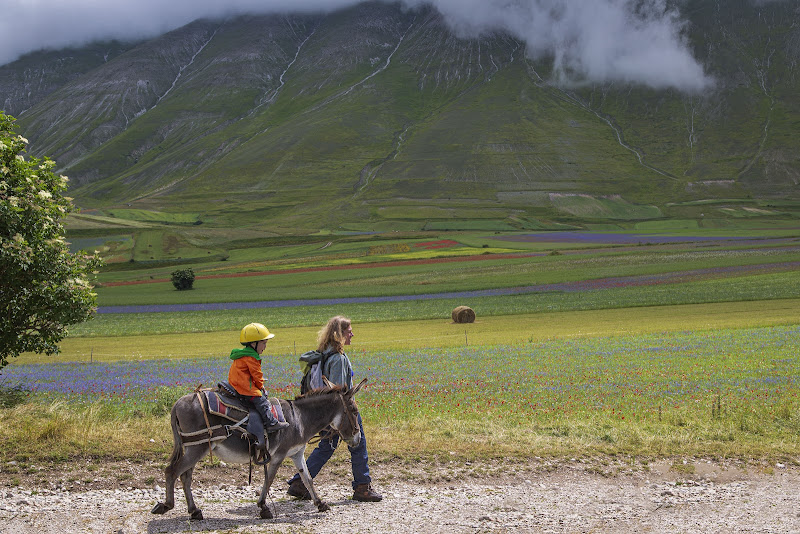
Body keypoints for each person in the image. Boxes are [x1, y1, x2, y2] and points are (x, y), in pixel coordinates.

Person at [286, 315, 383, 502]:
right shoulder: (337, 358)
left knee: (326, 447)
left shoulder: (325, 352)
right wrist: (342, 417)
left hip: (325, 413)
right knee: (358, 444)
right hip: (341, 412)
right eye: (349, 331)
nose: (352, 334)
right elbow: (338, 391)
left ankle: (300, 484)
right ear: (340, 334)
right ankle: (362, 488)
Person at [228, 322, 290, 449]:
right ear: (253, 343)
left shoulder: (242, 355)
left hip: (236, 383)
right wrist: (261, 387)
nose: (265, 347)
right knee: (261, 400)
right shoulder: (252, 357)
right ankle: (271, 422)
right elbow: (257, 376)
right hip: (244, 387)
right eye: (263, 343)